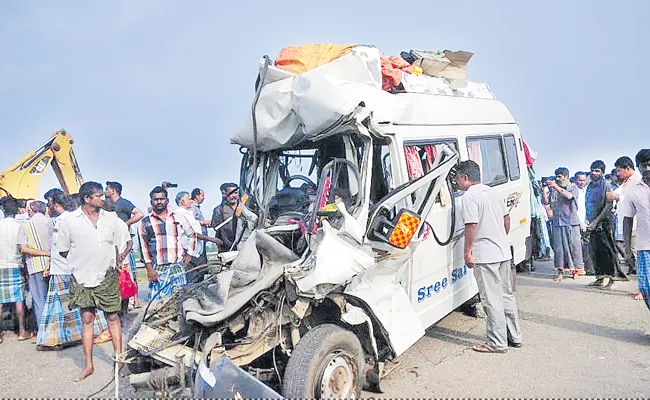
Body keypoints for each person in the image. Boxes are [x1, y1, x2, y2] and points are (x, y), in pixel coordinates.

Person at [57, 182, 123, 381]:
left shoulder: (111, 218)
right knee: (87, 320)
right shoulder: (69, 222)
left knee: (113, 318)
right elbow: (63, 249)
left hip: (107, 277)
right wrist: (82, 260)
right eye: (99, 196)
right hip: (82, 278)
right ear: (87, 199)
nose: (104, 199)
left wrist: (114, 261)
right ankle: (88, 366)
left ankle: (119, 362)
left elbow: (118, 245)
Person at [455, 160, 522, 353]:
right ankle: (514, 336)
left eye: (458, 178)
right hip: (502, 251)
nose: (457, 183)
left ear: (464, 178)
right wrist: (499, 236)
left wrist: (467, 251)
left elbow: (471, 226)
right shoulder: (493, 192)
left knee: (491, 299)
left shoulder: (469, 197)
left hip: (485, 255)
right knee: (506, 295)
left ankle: (497, 342)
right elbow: (506, 219)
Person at [36, 189, 108, 350]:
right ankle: (69, 336)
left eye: (49, 202)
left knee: (72, 305)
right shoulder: (61, 220)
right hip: (61, 268)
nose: (48, 206)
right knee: (66, 306)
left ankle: (62, 338)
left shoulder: (70, 219)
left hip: (69, 269)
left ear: (55, 203)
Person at [139, 186, 197, 301]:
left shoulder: (178, 217)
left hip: (177, 266)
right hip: (158, 269)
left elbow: (192, 235)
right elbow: (144, 247)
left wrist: (189, 255)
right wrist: (150, 269)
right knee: (157, 304)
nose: (159, 202)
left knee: (179, 301)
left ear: (167, 200)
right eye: (156, 199)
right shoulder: (145, 222)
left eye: (162, 199)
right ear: (151, 202)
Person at [585, 160, 627, 289]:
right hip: (593, 224)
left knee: (609, 252)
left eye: (597, 170)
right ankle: (600, 278)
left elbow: (608, 206)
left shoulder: (607, 186)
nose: (594, 172)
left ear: (602, 172)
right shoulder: (591, 186)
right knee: (596, 252)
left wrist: (596, 221)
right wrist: (588, 220)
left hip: (605, 224)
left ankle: (612, 279)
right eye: (592, 170)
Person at [105, 181, 143, 309]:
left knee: (129, 272)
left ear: (113, 191)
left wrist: (126, 223)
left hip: (122, 242)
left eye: (107, 189)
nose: (105, 192)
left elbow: (139, 213)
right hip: (121, 243)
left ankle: (135, 299)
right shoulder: (110, 205)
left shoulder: (123, 203)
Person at [17, 200, 52, 336]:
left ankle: (44, 334)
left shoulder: (26, 225)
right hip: (54, 265)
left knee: (39, 301)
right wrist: (49, 254)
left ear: (31, 210)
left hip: (35, 266)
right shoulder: (51, 222)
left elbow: (24, 248)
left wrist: (43, 253)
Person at [623, 149, 650, 309]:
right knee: (646, 288)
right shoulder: (633, 191)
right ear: (638, 167)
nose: (647, 169)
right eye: (643, 165)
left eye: (649, 165)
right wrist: (627, 248)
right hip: (644, 246)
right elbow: (627, 219)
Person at [0, 198, 30, 342]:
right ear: (17, 210)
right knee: (19, 299)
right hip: (15, 264)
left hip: (0, 266)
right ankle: (22, 331)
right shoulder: (20, 226)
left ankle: (0, 334)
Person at [547, 168, 584, 280]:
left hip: (571, 222)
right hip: (558, 221)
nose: (557, 179)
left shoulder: (573, 187)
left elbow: (569, 196)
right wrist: (544, 190)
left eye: (560, 176)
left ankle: (575, 271)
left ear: (566, 176)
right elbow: (548, 202)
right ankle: (560, 272)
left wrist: (555, 187)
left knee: (574, 247)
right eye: (556, 177)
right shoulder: (554, 189)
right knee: (559, 249)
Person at [175, 191, 219, 283]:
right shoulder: (179, 214)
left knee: (199, 279)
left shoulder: (188, 213)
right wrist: (210, 239)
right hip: (189, 253)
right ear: (182, 202)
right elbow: (192, 233)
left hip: (196, 252)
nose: (191, 201)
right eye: (189, 199)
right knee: (192, 281)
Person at [608, 156, 642, 276]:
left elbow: (636, 199)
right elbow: (618, 192)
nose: (617, 174)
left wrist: (616, 197)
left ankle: (643, 284)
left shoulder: (638, 180)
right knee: (628, 250)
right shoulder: (627, 182)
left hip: (637, 222)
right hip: (626, 220)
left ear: (627, 169)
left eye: (619, 171)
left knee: (636, 251)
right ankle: (636, 274)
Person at [211, 182, 242, 253]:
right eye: (231, 193)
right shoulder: (218, 210)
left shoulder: (244, 207)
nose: (234, 196)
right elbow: (216, 228)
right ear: (224, 194)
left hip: (244, 245)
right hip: (227, 248)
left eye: (236, 193)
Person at [574, 171, 594, 275]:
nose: (582, 182)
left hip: (588, 222)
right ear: (575, 180)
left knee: (588, 246)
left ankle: (590, 268)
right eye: (579, 180)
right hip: (577, 222)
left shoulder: (588, 190)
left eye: (583, 180)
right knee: (579, 246)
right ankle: (580, 268)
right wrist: (580, 222)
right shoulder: (574, 191)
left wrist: (588, 220)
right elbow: (574, 209)